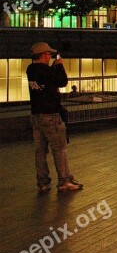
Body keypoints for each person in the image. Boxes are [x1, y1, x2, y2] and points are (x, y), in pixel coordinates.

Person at [26, 42, 83, 193]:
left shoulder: (31, 70)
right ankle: (64, 181)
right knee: (59, 149)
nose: (51, 57)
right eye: (49, 54)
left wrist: (53, 70)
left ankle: (43, 182)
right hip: (50, 115)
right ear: (43, 55)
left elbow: (48, 79)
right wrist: (59, 65)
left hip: (36, 116)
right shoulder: (46, 70)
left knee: (40, 151)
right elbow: (62, 81)